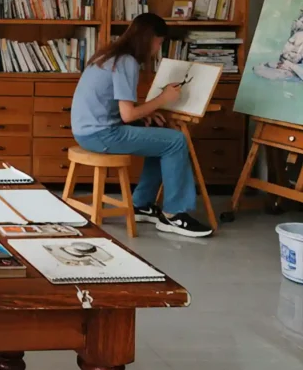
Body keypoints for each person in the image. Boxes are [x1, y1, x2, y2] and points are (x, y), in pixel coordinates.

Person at [70, 13, 213, 238]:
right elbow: (127, 115)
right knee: (175, 141)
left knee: (160, 137)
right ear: (149, 39)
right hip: (101, 134)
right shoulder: (126, 61)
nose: (158, 49)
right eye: (159, 42)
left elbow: (119, 105)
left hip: (86, 131)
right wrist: (163, 99)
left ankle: (141, 204)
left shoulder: (109, 55)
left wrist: (143, 113)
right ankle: (173, 215)